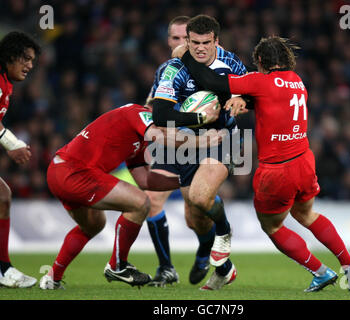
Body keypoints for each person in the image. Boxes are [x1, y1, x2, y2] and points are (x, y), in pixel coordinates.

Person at [173, 35, 350, 292]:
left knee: (272, 225)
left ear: (262, 61)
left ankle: (320, 272)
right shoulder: (297, 82)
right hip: (304, 161)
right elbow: (271, 103)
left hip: (277, 170)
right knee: (306, 213)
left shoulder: (259, 81)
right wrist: (244, 100)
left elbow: (211, 81)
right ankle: (348, 263)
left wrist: (185, 55)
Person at [39, 100, 222, 289]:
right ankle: (117, 265)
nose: (173, 127)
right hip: (75, 171)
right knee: (141, 203)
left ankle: (53, 278)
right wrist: (203, 141)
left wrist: (184, 181)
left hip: (60, 171)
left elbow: (145, 180)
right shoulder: (137, 112)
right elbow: (158, 136)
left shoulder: (140, 139)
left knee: (93, 225)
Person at [152, 14, 249, 290]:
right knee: (194, 216)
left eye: (206, 42)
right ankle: (218, 261)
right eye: (194, 43)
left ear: (216, 41)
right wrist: (198, 119)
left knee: (199, 196)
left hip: (223, 138)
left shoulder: (230, 62)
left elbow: (251, 94)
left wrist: (242, 99)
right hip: (186, 144)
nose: (200, 48)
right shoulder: (172, 69)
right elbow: (160, 113)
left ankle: (224, 232)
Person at [145, 16, 190, 287]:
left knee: (195, 215)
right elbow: (151, 107)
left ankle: (214, 253)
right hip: (169, 147)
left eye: (186, 38)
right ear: (169, 41)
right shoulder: (165, 70)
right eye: (176, 38)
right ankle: (166, 268)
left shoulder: (212, 69)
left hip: (201, 147)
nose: (181, 43)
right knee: (152, 200)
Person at [0, 31, 41, 288]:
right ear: (9, 56)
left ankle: (3, 268)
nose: (30, 65)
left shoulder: (6, 84)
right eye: (25, 58)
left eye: (32, 60)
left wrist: (11, 142)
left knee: (2, 196)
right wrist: (11, 144)